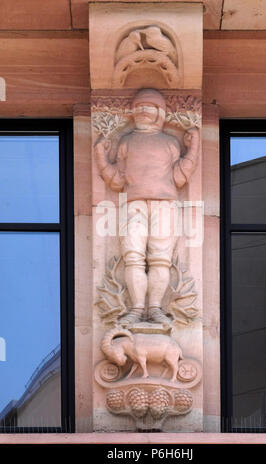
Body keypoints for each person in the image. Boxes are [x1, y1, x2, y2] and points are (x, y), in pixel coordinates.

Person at [95, 88, 199, 326]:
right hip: (134, 204)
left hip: (165, 205)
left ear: (160, 112)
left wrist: (194, 146)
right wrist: (100, 155)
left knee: (161, 259)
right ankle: (137, 308)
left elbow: (181, 177)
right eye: (139, 107)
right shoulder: (127, 141)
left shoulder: (171, 142)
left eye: (148, 107)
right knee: (133, 257)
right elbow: (116, 179)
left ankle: (155, 308)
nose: (142, 111)